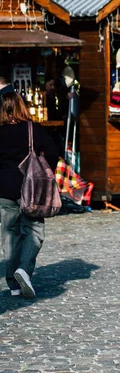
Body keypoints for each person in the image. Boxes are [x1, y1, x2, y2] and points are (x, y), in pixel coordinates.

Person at [0, 92, 59, 299]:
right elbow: (52, 152)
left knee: (10, 235)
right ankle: (24, 269)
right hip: (31, 188)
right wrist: (44, 172)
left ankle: (13, 285)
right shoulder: (32, 129)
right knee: (34, 230)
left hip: (4, 190)